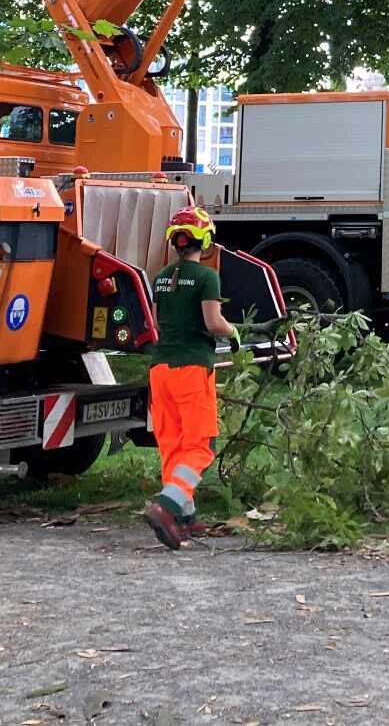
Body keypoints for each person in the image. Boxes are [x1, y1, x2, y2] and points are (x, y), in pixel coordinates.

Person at [142, 205, 238, 550]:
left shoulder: (160, 278)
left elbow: (157, 323)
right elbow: (213, 323)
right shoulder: (207, 277)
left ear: (174, 241)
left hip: (160, 370)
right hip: (192, 368)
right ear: (205, 240)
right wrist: (234, 332)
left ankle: (184, 516)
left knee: (172, 443)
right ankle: (167, 506)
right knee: (200, 445)